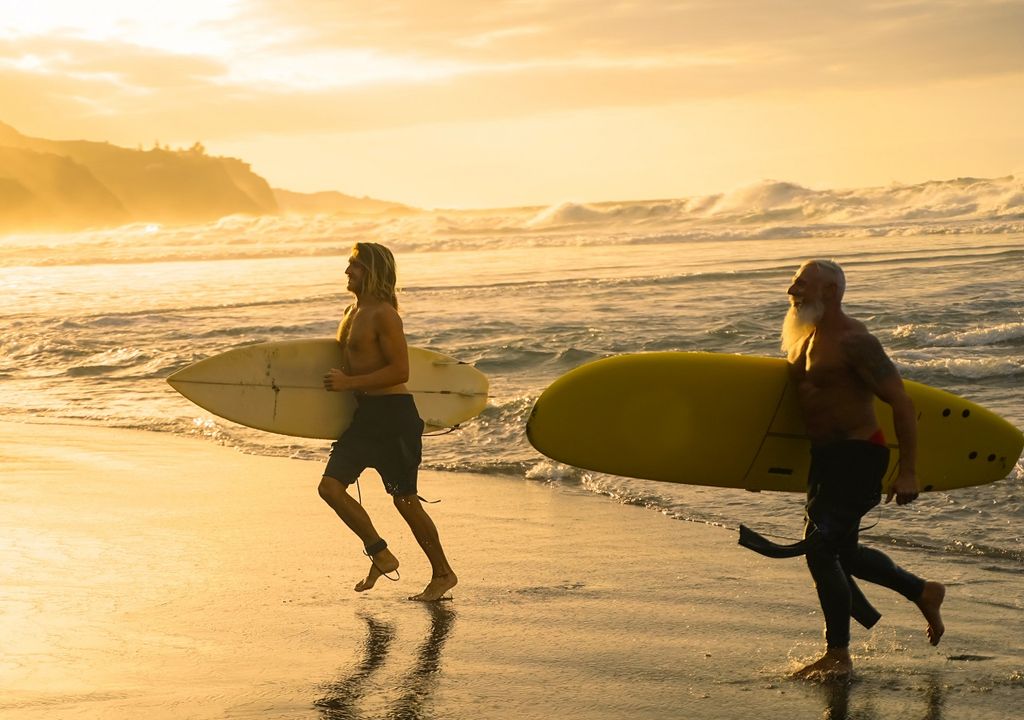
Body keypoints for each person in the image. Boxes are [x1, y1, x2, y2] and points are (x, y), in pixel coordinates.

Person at [742, 259, 945, 680]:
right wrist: (755, 466)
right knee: (843, 552)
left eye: (801, 283)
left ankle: (838, 655)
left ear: (830, 291)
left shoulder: (856, 341)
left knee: (819, 549)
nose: (790, 290)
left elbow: (902, 404)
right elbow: (798, 411)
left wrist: (908, 472)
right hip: (825, 460)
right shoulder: (802, 342)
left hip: (859, 455)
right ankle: (922, 591)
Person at [317, 242, 457, 602]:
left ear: (373, 271)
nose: (347, 272)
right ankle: (379, 552)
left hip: (394, 418)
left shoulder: (384, 315)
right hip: (365, 419)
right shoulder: (352, 311)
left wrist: (349, 383)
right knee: (330, 488)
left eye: (355, 266)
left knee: (405, 501)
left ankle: (443, 574)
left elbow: (400, 370)